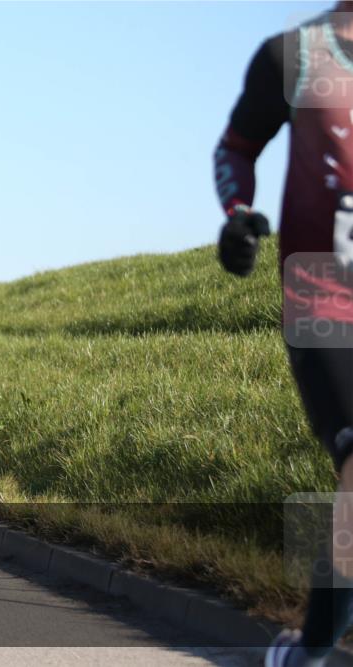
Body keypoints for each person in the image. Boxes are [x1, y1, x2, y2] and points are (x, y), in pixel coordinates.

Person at [214, 6, 353, 666]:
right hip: (324, 295)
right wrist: (238, 215)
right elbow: (235, 148)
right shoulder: (295, 55)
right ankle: (312, 652)